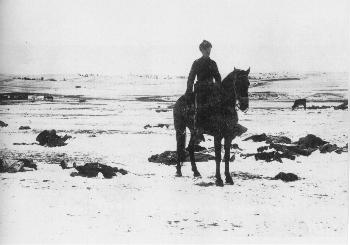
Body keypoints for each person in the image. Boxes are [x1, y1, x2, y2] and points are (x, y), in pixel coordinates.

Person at [185, 40, 221, 138]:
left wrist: (219, 87)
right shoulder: (196, 63)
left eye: (209, 49)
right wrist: (189, 91)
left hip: (212, 89)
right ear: (201, 50)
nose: (208, 51)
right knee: (199, 108)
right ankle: (198, 130)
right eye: (206, 49)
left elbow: (218, 77)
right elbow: (191, 78)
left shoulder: (213, 63)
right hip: (200, 90)